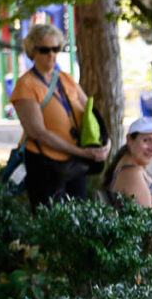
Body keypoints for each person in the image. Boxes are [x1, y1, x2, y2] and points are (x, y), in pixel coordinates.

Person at [10, 23, 107, 205]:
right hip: (45, 165)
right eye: (45, 50)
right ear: (33, 51)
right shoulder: (26, 84)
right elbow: (38, 133)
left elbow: (92, 112)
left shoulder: (66, 78)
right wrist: (82, 152)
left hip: (75, 163)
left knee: (79, 217)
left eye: (55, 49)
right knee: (50, 222)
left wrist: (105, 144)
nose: (51, 55)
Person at [103, 117, 152, 214]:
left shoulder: (136, 170)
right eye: (146, 141)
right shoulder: (131, 174)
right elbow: (149, 223)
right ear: (129, 140)